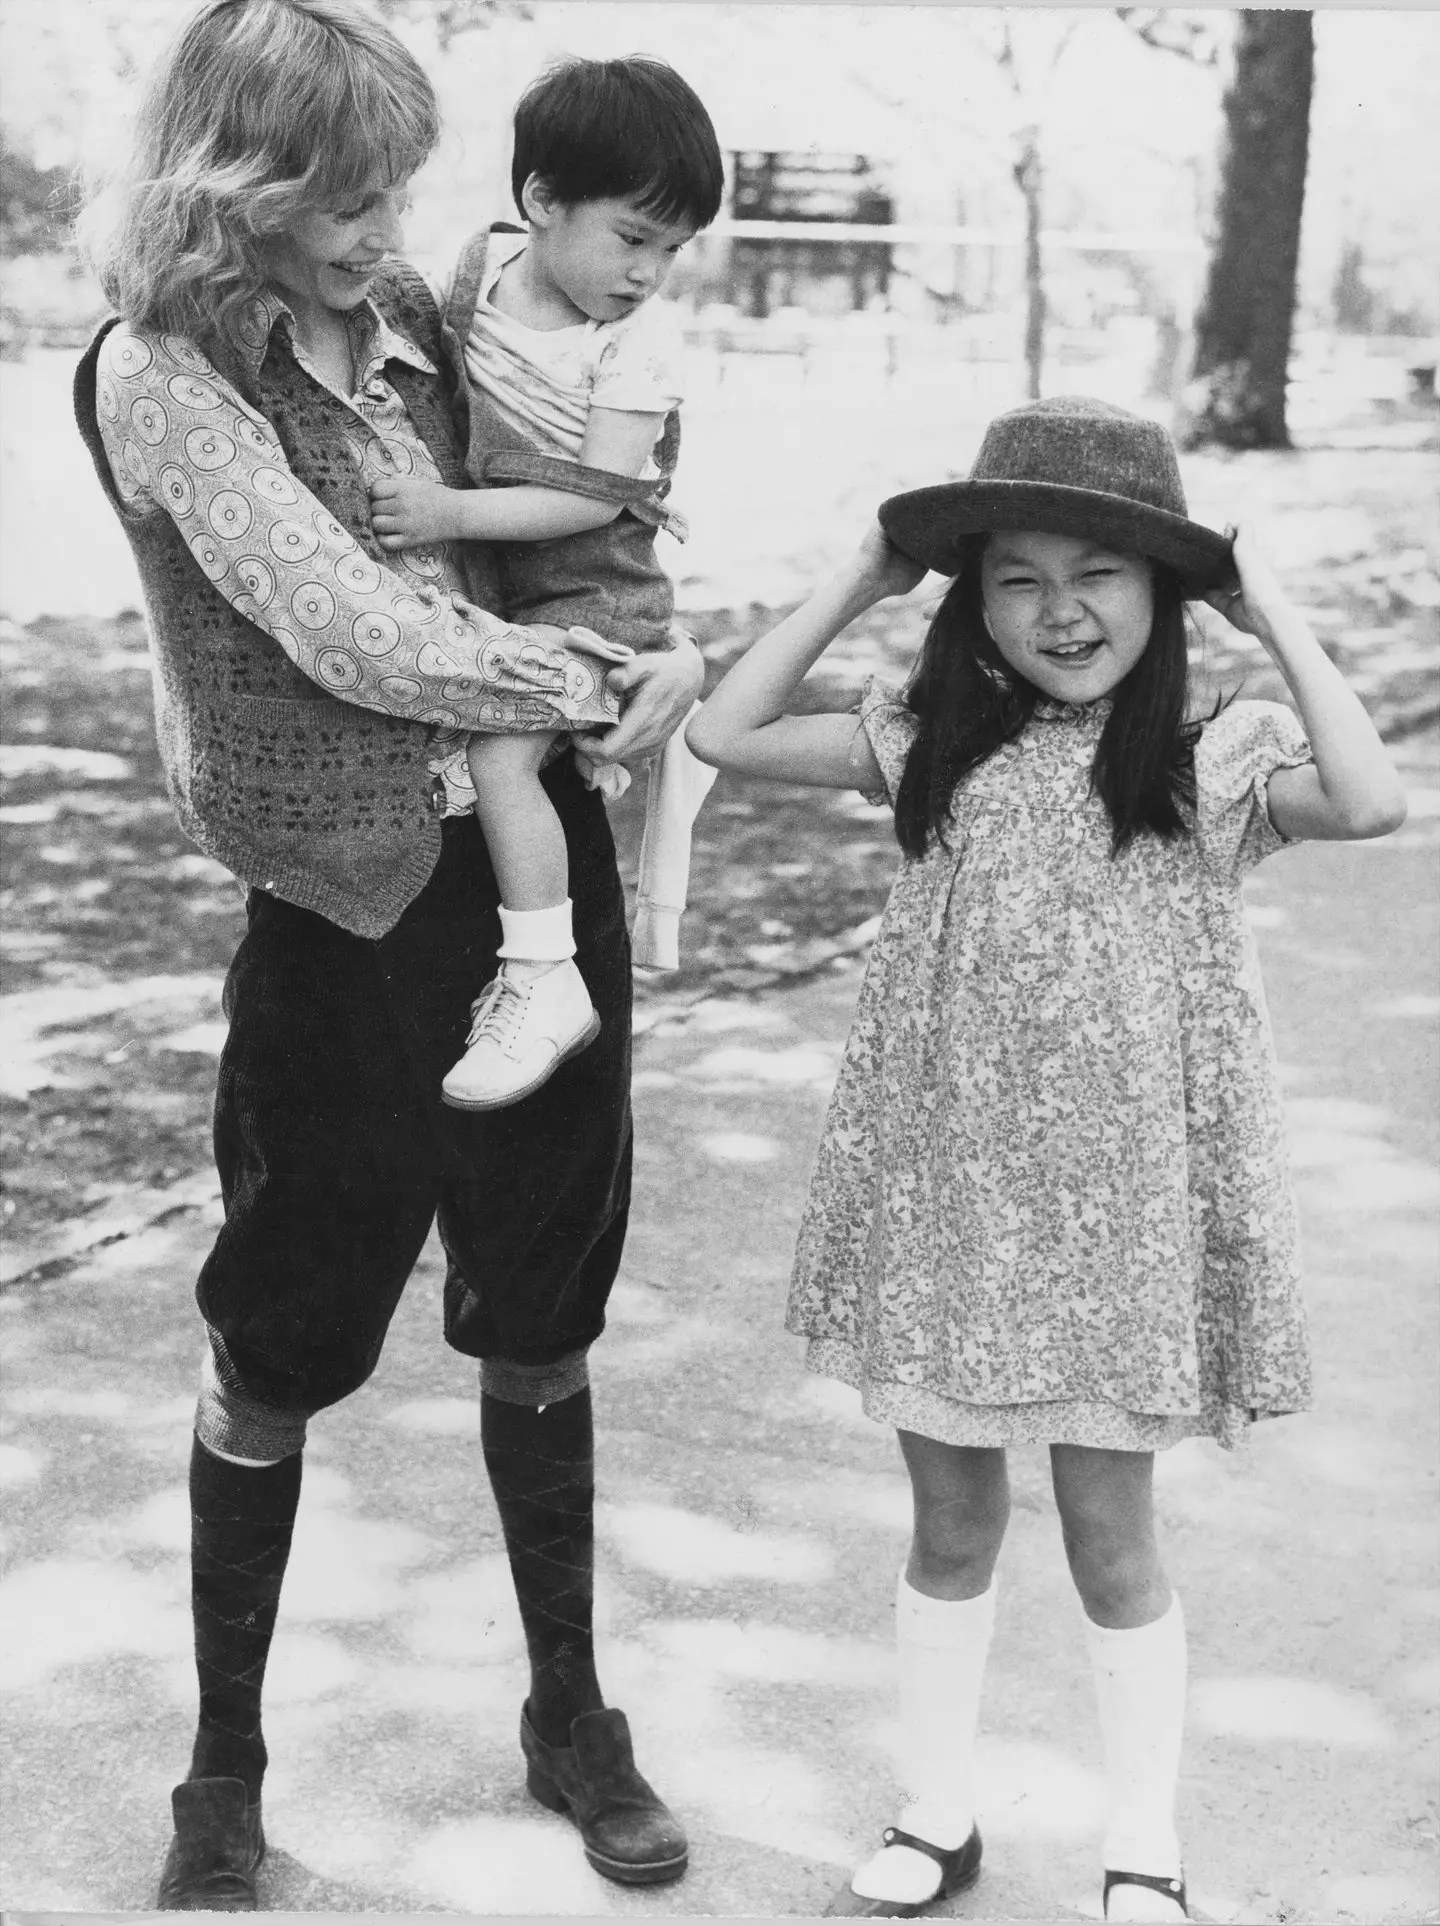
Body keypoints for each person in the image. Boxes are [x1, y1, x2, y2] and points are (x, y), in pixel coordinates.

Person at [73, 0, 702, 1908]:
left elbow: (579, 517)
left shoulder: (435, 323)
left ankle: (568, 1717)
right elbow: (345, 625)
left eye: (391, 194)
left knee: (544, 1301)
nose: (378, 232)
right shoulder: (163, 373)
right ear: (234, 182)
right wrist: (582, 683)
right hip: (341, 913)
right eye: (343, 200)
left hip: (530, 880)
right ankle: (224, 1766)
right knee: (281, 1328)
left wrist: (659, 648)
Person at [686, 396, 1406, 1922]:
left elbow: (1374, 796)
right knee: (949, 1521)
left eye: (1104, 573)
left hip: (1120, 1215)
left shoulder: (1212, 762)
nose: (1060, 609)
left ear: (1166, 596)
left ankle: (1142, 1843)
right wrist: (862, 574)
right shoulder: (935, 740)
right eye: (1016, 575)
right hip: (947, 1190)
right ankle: (936, 1813)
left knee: (1106, 1531)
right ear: (973, 600)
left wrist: (1268, 601)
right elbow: (723, 729)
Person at [366, 56, 723, 1110]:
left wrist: (448, 515)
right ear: (541, 202)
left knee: (501, 759)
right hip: (490, 585)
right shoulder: (469, 278)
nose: (648, 272)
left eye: (673, 249)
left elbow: (599, 494)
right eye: (633, 237)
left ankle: (543, 976)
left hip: (590, 593)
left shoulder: (638, 341)